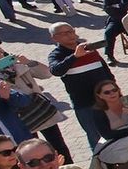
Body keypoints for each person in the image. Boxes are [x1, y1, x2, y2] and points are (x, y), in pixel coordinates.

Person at [46, 22, 113, 150]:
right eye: (64, 33)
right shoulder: (57, 55)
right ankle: (104, 166)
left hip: (108, 98)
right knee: (96, 138)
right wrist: (75, 56)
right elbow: (56, 70)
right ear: (54, 38)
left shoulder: (89, 48)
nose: (70, 35)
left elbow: (104, 69)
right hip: (85, 104)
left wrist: (114, 87)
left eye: (71, 31)